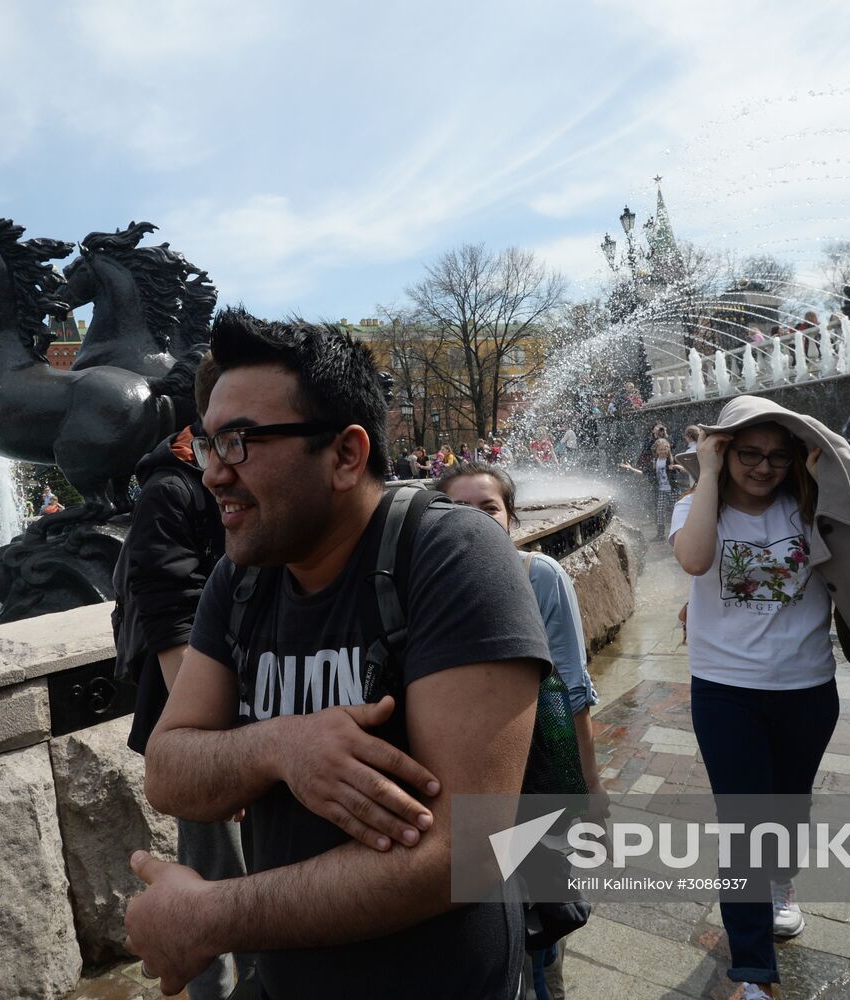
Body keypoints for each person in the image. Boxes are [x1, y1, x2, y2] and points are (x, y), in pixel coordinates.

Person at [128, 310, 551, 999]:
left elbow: (466, 849)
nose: (212, 474)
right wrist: (279, 747)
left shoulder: (452, 554)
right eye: (208, 444)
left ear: (346, 455)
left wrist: (212, 914)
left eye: (238, 442)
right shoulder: (242, 575)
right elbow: (168, 770)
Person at [669, 395, 850, 999]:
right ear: (724, 453)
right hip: (725, 692)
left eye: (778, 456)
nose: (762, 467)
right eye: (747, 453)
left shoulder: (812, 512)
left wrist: (819, 458)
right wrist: (705, 472)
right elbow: (696, 559)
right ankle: (753, 973)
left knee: (790, 805)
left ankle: (781, 883)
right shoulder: (696, 508)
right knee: (745, 824)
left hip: (806, 688)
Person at [435, 461, 609, 1000]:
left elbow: (571, 693)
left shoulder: (539, 577)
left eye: (488, 508)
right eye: (457, 510)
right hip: (457, 788)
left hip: (535, 778)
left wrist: (590, 786)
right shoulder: (423, 585)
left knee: (540, 926)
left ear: (509, 518)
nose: (475, 521)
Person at [111, 354, 246, 1000]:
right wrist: (218, 749)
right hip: (200, 730)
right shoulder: (171, 490)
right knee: (214, 888)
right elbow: (171, 624)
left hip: (256, 725)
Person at [650, 438, 676, 539]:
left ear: (668, 449)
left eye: (665, 449)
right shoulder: (655, 461)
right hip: (661, 490)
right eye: (660, 449)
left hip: (672, 490)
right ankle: (661, 534)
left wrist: (676, 467)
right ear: (656, 450)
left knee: (675, 511)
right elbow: (647, 474)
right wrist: (631, 469)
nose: (663, 451)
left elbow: (681, 470)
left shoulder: (671, 460)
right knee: (660, 511)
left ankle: (677, 533)